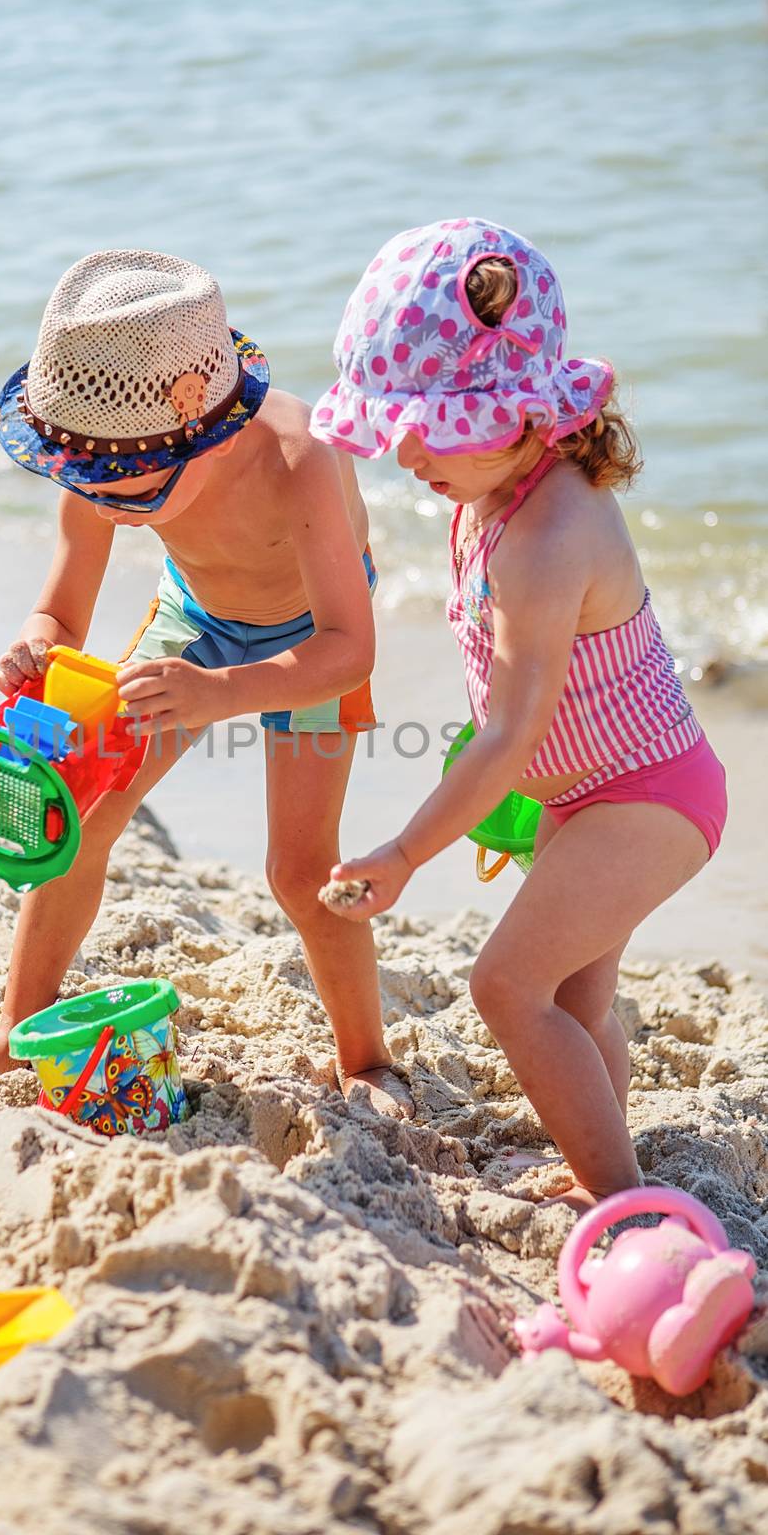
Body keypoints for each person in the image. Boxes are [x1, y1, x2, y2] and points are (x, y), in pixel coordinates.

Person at [311, 219, 727, 1209]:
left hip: (643, 796)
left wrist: (405, 852)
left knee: (504, 987)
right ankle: (599, 1159)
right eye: (395, 423)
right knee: (576, 995)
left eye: (427, 425)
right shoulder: (485, 489)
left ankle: (622, 1200)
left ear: (519, 411)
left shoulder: (548, 533)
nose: (405, 447)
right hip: (583, 791)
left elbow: (512, 728)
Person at [0, 249, 411, 1115]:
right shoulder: (99, 446)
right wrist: (34, 646)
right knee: (82, 820)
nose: (107, 507)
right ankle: (20, 1025)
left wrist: (228, 693)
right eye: (91, 489)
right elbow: (61, 613)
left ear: (199, 424)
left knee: (299, 866)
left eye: (131, 495)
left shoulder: (301, 456)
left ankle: (366, 1060)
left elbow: (352, 648)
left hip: (312, 633)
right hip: (193, 620)